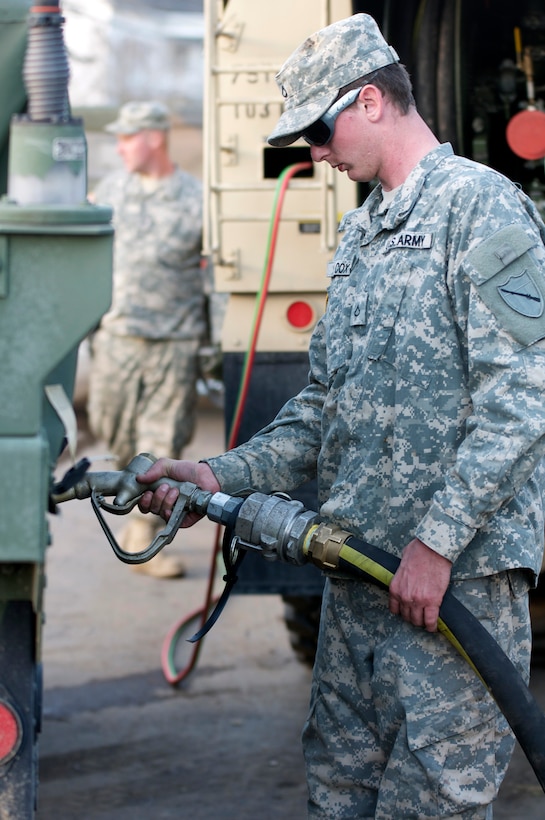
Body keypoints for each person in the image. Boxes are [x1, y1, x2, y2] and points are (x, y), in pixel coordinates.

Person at [137, 14, 545, 818]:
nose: (315, 154)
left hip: (451, 591)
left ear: (368, 101)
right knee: (338, 794)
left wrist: (434, 545)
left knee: (432, 803)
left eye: (317, 132)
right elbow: (322, 408)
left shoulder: (481, 210)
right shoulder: (360, 237)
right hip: (358, 578)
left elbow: (523, 395)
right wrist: (216, 472)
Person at [88, 100, 206, 579]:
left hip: (173, 345)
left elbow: (216, 276)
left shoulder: (196, 198)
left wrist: (214, 346)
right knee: (112, 433)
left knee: (157, 448)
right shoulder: (108, 193)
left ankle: (140, 537)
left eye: (127, 137)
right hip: (116, 340)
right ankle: (129, 508)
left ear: (155, 138)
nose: (119, 147)